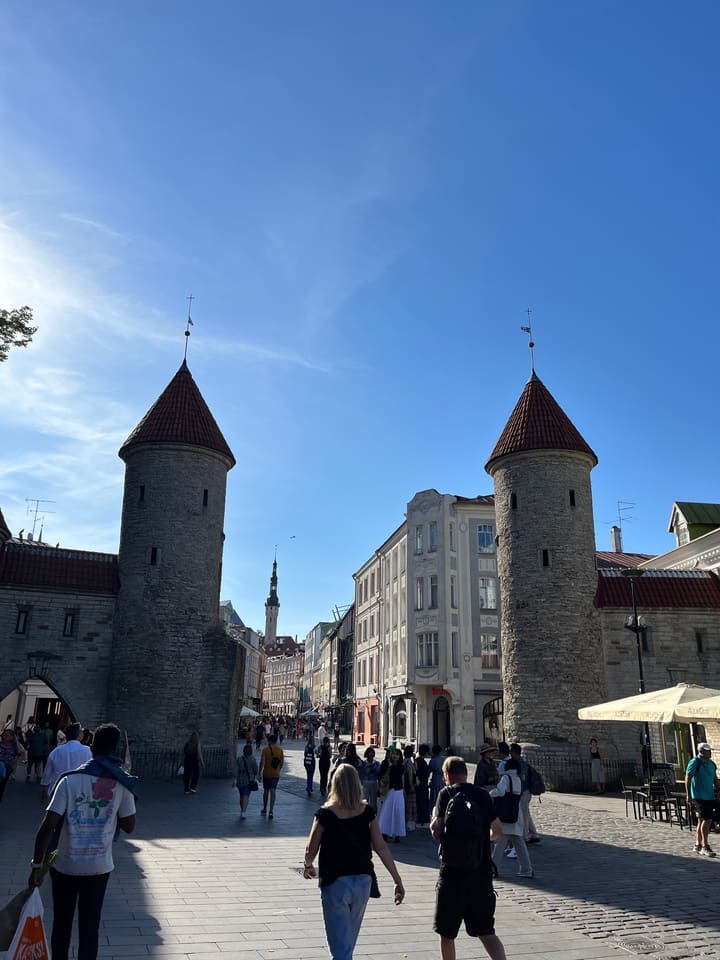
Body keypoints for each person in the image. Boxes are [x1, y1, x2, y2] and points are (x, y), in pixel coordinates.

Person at [28, 723, 137, 960]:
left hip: (66, 864)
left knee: (62, 923)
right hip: (98, 867)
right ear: (115, 750)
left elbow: (48, 825)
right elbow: (129, 826)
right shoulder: (120, 783)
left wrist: (37, 866)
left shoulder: (69, 781)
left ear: (92, 746)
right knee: (90, 927)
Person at [303, 763, 405, 960]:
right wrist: (397, 880)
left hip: (335, 882)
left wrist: (308, 865)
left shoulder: (325, 814)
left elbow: (310, 849)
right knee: (348, 939)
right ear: (356, 784)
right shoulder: (367, 812)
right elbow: (381, 847)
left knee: (340, 947)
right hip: (362, 881)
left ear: (335, 784)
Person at [430, 756, 507, 960]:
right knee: (487, 932)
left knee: (446, 934)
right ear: (466, 773)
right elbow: (498, 830)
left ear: (447, 774)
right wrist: (484, 839)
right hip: (480, 874)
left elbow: (436, 832)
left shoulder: (445, 794)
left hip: (452, 874)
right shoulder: (482, 795)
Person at [489, 758, 534, 878]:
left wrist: (490, 793)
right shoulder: (518, 779)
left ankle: (492, 868)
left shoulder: (505, 778)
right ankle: (527, 869)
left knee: (500, 843)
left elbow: (501, 792)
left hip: (506, 815)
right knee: (519, 843)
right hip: (516, 814)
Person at [40, 723, 92, 803]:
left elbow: (47, 773)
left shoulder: (56, 751)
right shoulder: (87, 751)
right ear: (79, 735)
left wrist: (44, 789)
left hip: (57, 790)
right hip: (79, 791)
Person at [686, 742, 718, 857]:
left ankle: (697, 844)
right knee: (707, 819)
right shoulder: (695, 762)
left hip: (709, 795)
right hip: (699, 796)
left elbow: (715, 778)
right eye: (708, 751)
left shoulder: (712, 764)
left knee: (702, 820)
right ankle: (705, 846)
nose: (710, 753)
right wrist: (688, 795)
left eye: (710, 751)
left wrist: (718, 790)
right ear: (701, 751)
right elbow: (688, 777)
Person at [509, 743, 540, 844]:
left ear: (514, 752)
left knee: (524, 815)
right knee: (526, 813)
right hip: (525, 791)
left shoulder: (520, 764)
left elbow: (522, 778)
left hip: (524, 791)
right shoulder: (521, 762)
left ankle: (525, 837)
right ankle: (534, 834)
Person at [377, 747, 405, 842]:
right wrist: (389, 767)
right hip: (390, 791)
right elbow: (382, 776)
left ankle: (397, 834)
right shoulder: (386, 764)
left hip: (398, 791)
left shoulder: (401, 766)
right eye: (394, 754)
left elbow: (399, 776)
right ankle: (384, 832)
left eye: (397, 754)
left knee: (398, 813)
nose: (395, 756)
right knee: (387, 812)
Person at [260, 733, 284, 819]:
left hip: (267, 773)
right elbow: (281, 763)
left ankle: (264, 809)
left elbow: (262, 762)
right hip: (275, 774)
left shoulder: (265, 750)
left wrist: (259, 772)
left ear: (269, 740)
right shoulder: (280, 750)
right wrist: (278, 769)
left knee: (266, 791)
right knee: (273, 791)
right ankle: (271, 810)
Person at [0, 727, 25, 802]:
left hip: (7, 768)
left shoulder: (15, 746)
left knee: (2, 785)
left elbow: (22, 752)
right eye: (3, 735)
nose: (4, 737)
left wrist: (14, 763)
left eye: (7, 735)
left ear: (12, 737)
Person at [235, 743, 259, 819]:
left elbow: (236, 770)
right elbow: (256, 770)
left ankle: (242, 810)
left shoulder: (239, 759)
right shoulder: (252, 759)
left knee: (241, 796)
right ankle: (243, 812)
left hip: (240, 780)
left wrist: (235, 779)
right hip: (249, 780)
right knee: (246, 795)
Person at [415, 743, 431, 825]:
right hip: (422, 784)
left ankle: (420, 817)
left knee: (419, 801)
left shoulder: (417, 760)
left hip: (418, 784)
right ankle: (422, 818)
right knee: (423, 801)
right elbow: (425, 773)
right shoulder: (422, 762)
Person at [403, 745, 417, 831]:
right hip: (409, 786)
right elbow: (410, 774)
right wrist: (412, 785)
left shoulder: (404, 761)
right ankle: (409, 824)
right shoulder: (408, 762)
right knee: (410, 805)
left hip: (405, 785)